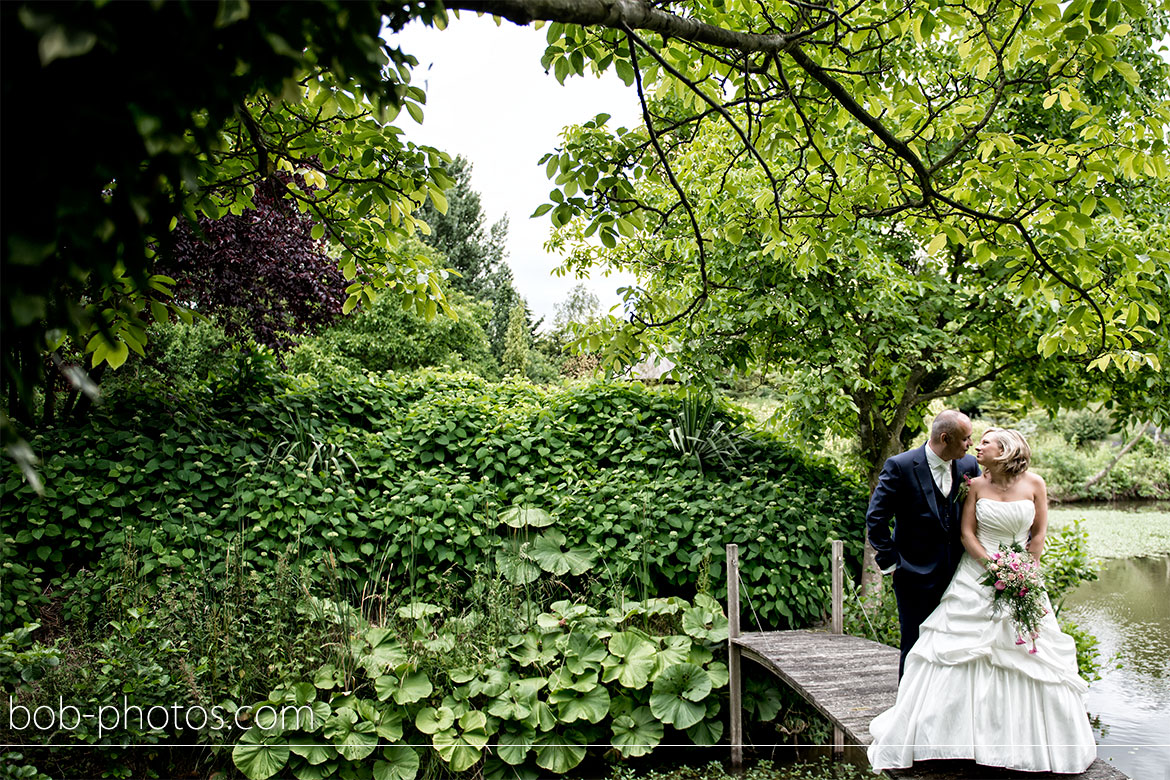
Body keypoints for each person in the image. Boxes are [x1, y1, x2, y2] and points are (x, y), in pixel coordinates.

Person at [867, 427, 1096, 774]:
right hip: (975, 575)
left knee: (1027, 653)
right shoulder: (973, 481)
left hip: (1022, 577)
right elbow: (966, 532)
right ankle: (944, 738)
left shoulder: (1031, 483)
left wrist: (1025, 575)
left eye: (984, 441)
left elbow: (1038, 535)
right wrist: (993, 569)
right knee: (942, 650)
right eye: (972, 439)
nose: (975, 446)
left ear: (1004, 449)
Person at [866, 410, 980, 677]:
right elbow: (876, 518)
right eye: (965, 438)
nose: (970, 444)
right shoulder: (901, 466)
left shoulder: (969, 466)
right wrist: (893, 563)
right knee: (914, 645)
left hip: (960, 576)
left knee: (956, 645)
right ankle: (907, 711)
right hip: (913, 575)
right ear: (945, 438)